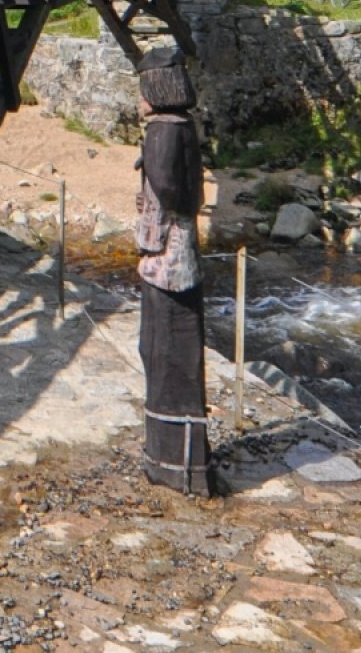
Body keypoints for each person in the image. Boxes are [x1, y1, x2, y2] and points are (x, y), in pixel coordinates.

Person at [133, 44, 214, 495]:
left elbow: (163, 191)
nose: (141, 97)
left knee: (160, 347)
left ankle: (170, 461)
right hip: (185, 250)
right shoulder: (184, 127)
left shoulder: (161, 131)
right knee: (170, 349)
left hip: (166, 256)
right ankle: (183, 461)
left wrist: (145, 240)